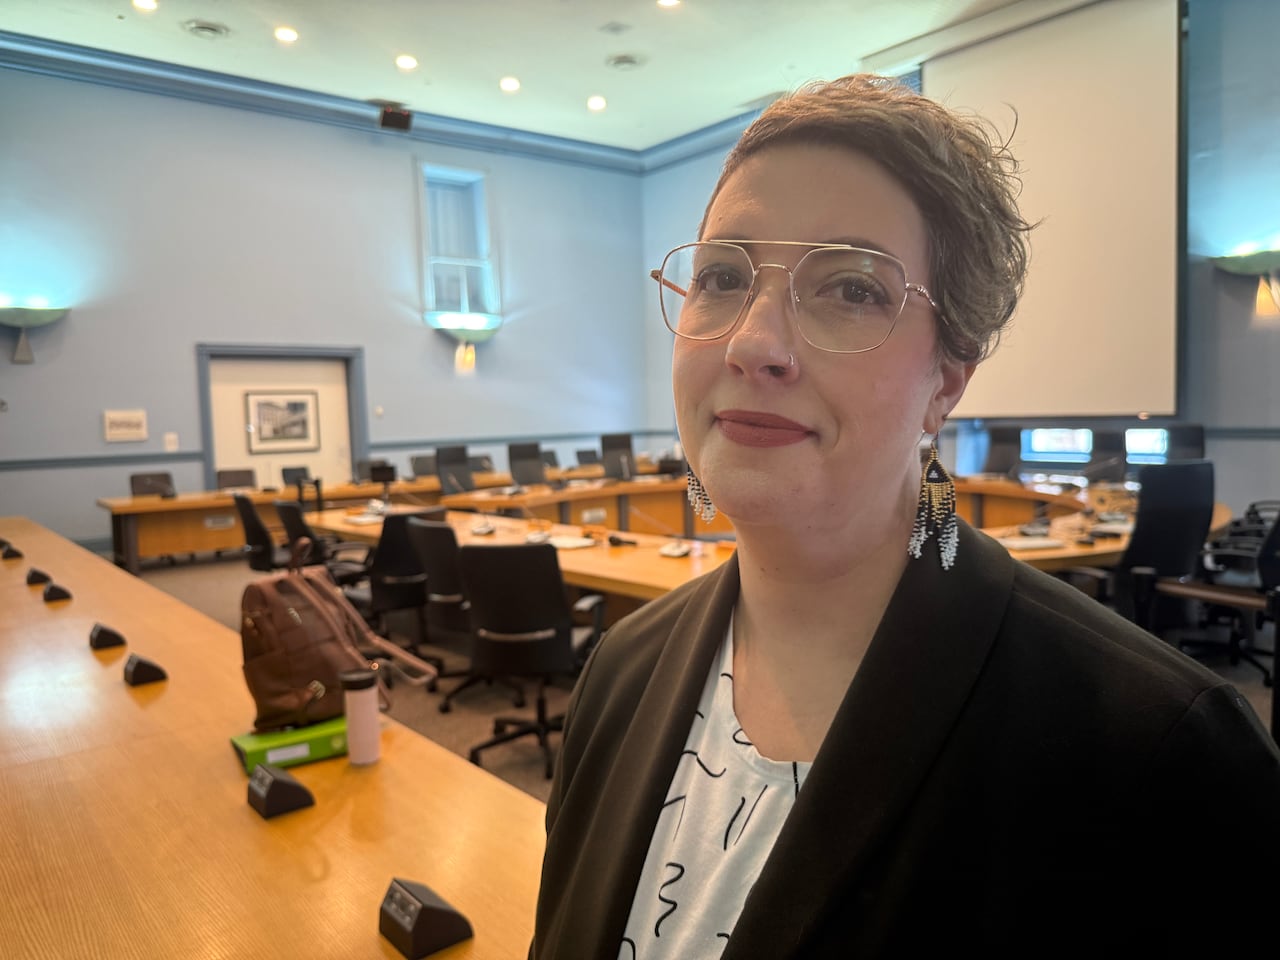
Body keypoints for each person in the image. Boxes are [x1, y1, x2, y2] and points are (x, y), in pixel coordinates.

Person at [532, 75, 1280, 958]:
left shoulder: (1159, 755)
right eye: (722, 277)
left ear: (948, 380)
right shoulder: (619, 673)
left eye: (851, 289)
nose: (753, 343)